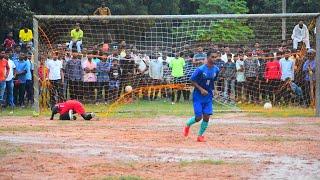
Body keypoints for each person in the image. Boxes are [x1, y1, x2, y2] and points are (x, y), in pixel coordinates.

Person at [183, 50, 220, 142]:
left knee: (207, 116)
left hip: (208, 96)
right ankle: (187, 125)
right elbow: (192, 80)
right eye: (212, 57)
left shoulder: (216, 69)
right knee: (198, 117)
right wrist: (201, 89)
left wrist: (215, 90)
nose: (214, 59)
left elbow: (213, 81)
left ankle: (200, 136)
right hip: (198, 96)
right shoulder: (200, 69)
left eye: (216, 57)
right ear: (207, 58)